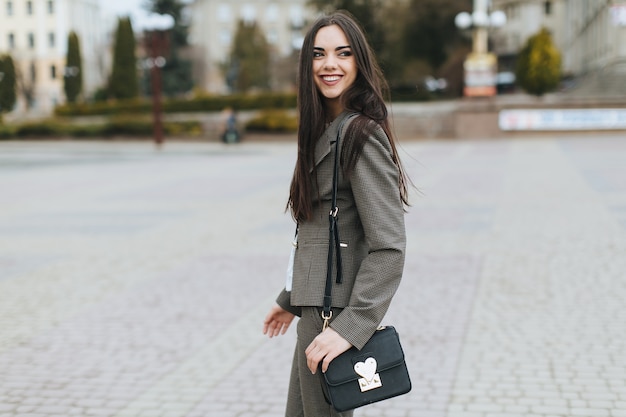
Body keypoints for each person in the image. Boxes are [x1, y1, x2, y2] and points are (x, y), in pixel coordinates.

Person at [262, 10, 410, 417]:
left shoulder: (360, 134)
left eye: (343, 53)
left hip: (334, 319)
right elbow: (318, 235)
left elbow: (388, 248)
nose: (330, 64)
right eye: (319, 54)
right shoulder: (321, 131)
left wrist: (350, 328)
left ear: (358, 63)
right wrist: (290, 299)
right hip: (315, 310)